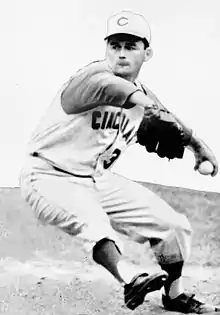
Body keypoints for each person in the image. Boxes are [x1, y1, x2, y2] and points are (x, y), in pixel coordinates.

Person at [19, 10, 219, 313]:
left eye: (130, 46)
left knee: (173, 225)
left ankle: (174, 295)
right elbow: (114, 89)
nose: (121, 53)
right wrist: (150, 107)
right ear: (106, 49)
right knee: (93, 222)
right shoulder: (90, 78)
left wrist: (198, 146)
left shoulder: (144, 96)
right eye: (115, 46)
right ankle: (130, 278)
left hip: (97, 178)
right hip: (48, 175)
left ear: (146, 53)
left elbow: (170, 119)